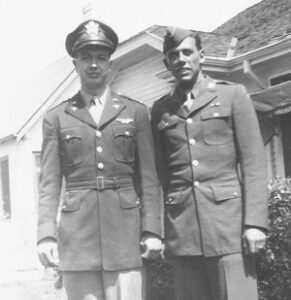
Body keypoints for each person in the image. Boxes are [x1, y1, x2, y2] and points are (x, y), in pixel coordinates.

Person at [37, 19, 163, 300]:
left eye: (101, 58)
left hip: (126, 238)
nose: (93, 64)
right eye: (86, 58)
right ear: (75, 65)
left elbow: (149, 180)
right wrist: (46, 234)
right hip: (78, 240)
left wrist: (152, 229)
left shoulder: (136, 112)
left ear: (109, 64)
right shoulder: (57, 118)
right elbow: (48, 183)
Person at [151, 27, 268, 300]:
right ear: (167, 63)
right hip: (184, 232)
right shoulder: (161, 110)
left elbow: (253, 164)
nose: (180, 59)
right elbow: (161, 174)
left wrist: (255, 224)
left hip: (228, 228)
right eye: (173, 55)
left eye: (187, 52)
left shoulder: (233, 95)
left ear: (201, 56)